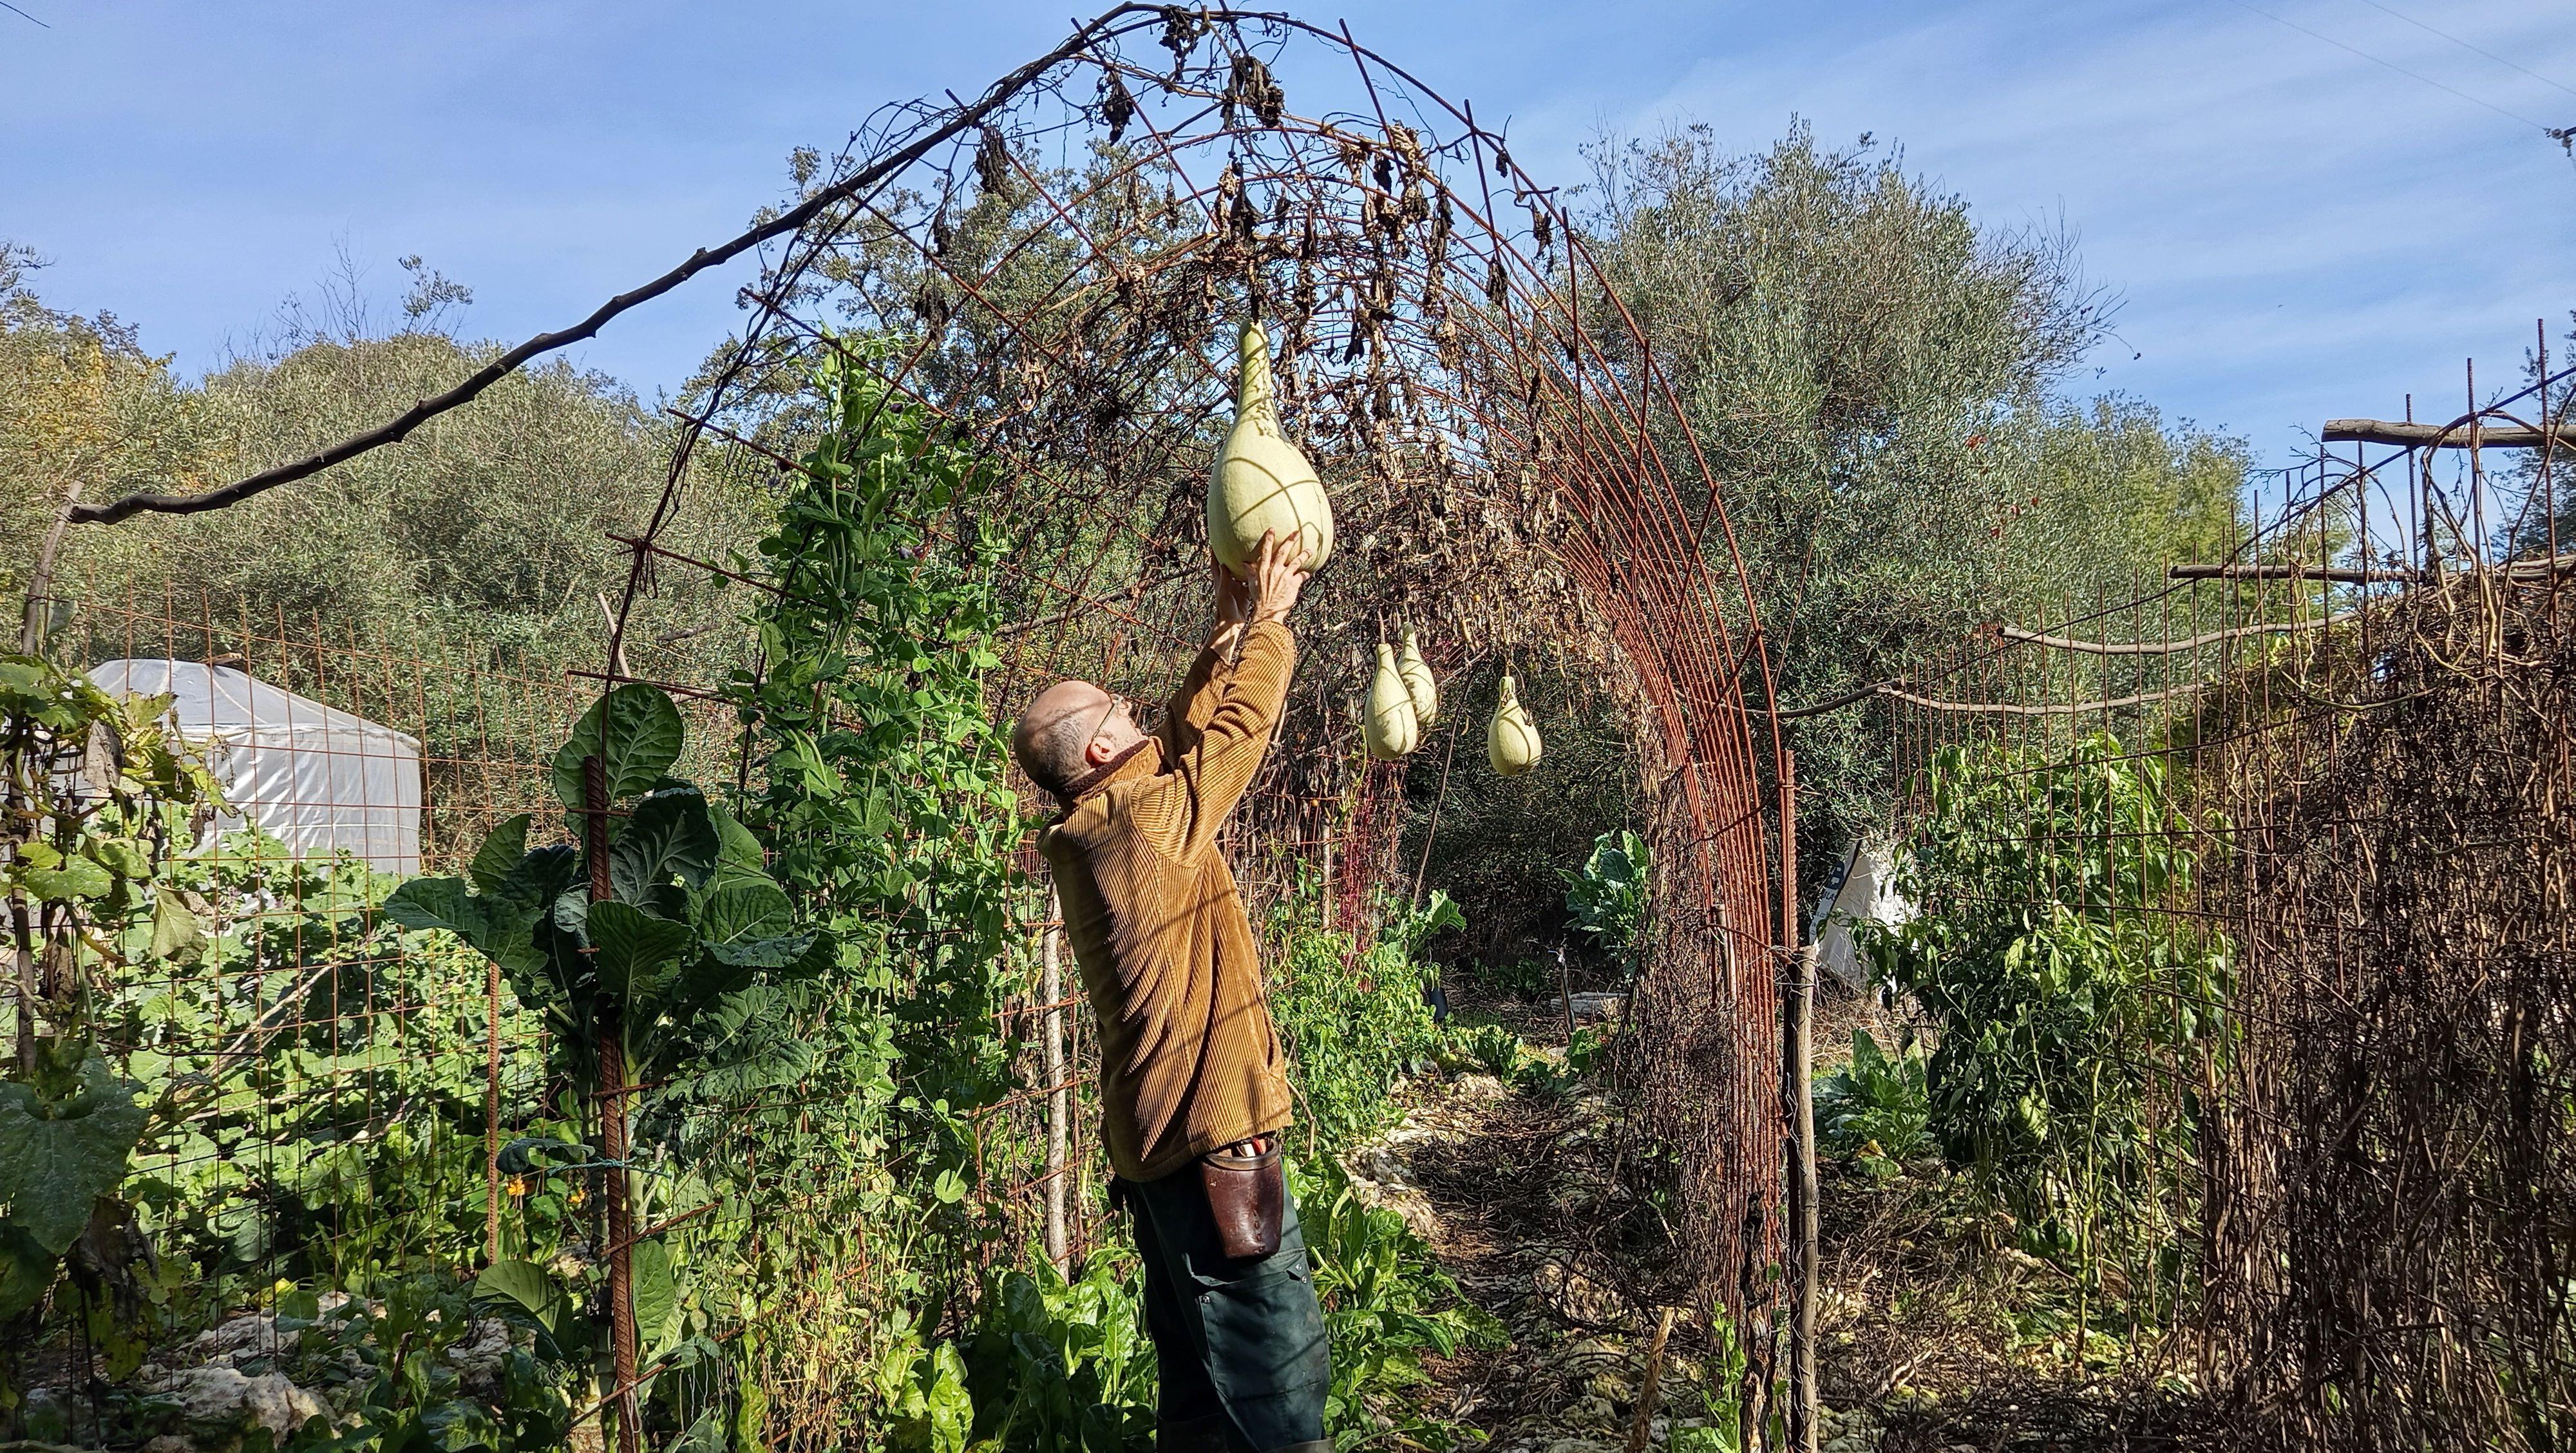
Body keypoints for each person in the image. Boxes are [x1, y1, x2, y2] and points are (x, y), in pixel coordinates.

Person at [1012, 530, 1326, 1453]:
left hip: (1164, 1156)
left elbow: (1182, 742)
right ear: (1105, 742)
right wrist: (1269, 626)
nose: (1138, 709)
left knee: (1197, 1399)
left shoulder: (1105, 821)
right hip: (1208, 1148)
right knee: (1278, 1390)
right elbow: (1229, 744)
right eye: (1122, 706)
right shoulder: (1140, 826)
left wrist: (1226, 634)